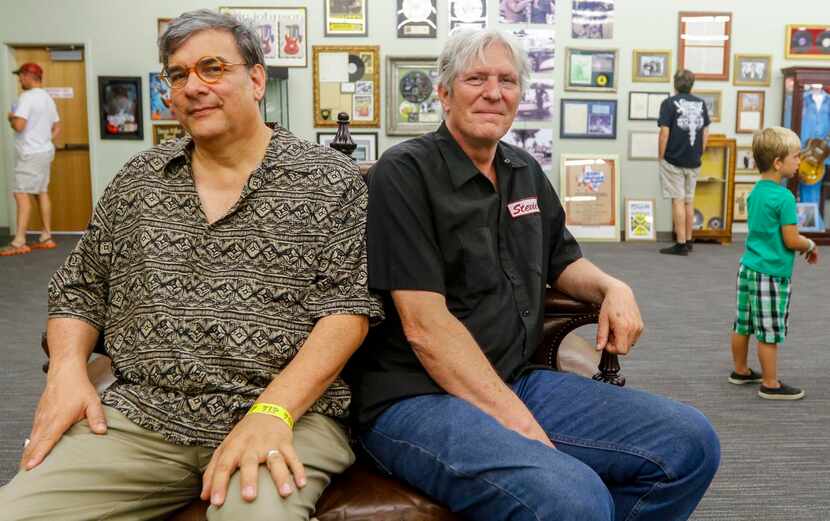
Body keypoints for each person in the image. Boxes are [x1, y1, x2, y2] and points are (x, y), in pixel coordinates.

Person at [0, 9, 381, 521]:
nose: (193, 86)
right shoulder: (138, 180)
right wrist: (66, 373)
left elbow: (348, 309)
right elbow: (80, 288)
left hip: (285, 415)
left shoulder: (329, 180)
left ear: (256, 78)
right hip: (143, 416)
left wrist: (272, 410)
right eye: (178, 75)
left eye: (212, 68)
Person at [349, 29, 720, 521]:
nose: (493, 92)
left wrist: (615, 286)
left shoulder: (523, 170)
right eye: (475, 78)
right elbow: (426, 329)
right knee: (574, 498)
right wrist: (515, 422)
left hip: (515, 378)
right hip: (416, 399)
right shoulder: (404, 174)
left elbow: (563, 262)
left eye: (507, 80)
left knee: (690, 444)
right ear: (443, 92)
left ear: (520, 95)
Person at [729, 127, 819, 400]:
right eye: (795, 157)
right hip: (771, 274)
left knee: (743, 323)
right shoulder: (785, 198)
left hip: (748, 268)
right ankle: (770, 383)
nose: (799, 162)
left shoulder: (755, 191)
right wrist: (810, 244)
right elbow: (791, 240)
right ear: (778, 163)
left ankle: (741, 370)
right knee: (769, 330)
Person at [2, 62, 60, 257]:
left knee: (21, 193)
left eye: (21, 76)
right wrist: (44, 141)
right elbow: (57, 127)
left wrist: (11, 117)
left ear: (29, 76)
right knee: (41, 192)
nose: (19, 79)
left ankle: (19, 241)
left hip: (30, 153)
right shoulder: (47, 98)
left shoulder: (26, 98)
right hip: (44, 151)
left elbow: (19, 126)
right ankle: (46, 236)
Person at [657, 69, 710, 256]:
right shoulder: (701, 104)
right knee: (689, 201)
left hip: (674, 159)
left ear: (675, 84)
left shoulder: (669, 104)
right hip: (694, 160)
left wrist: (660, 156)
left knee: (677, 200)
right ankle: (688, 239)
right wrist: (699, 153)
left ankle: (680, 244)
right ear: (692, 84)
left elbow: (664, 132)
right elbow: (705, 133)